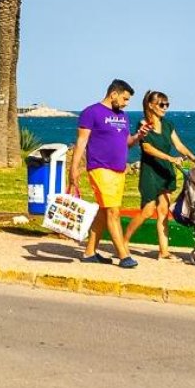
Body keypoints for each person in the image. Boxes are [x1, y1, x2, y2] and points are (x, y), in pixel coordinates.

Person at [69, 79, 149, 267]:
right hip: (100, 168)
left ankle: (89, 253)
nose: (126, 103)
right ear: (113, 94)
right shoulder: (91, 112)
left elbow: (126, 142)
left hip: (118, 170)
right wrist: (73, 170)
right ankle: (124, 256)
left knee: (105, 212)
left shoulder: (123, 116)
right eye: (124, 99)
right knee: (113, 211)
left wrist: (138, 136)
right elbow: (81, 142)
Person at [122, 91, 195, 259]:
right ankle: (124, 240)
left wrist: (193, 157)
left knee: (163, 211)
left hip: (165, 171)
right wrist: (170, 158)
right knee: (148, 211)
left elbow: (178, 145)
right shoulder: (143, 125)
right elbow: (147, 148)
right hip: (150, 172)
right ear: (151, 105)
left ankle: (164, 251)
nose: (165, 108)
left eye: (167, 105)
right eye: (161, 104)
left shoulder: (168, 124)